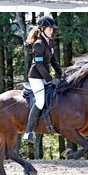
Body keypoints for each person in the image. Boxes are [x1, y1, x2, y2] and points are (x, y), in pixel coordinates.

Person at [23, 15, 63, 143]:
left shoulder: (49, 42)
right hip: (35, 77)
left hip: (44, 76)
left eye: (52, 29)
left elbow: (53, 61)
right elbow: (39, 65)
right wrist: (51, 79)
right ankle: (28, 132)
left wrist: (61, 74)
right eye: (50, 29)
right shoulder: (39, 44)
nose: (52, 31)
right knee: (40, 102)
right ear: (42, 29)